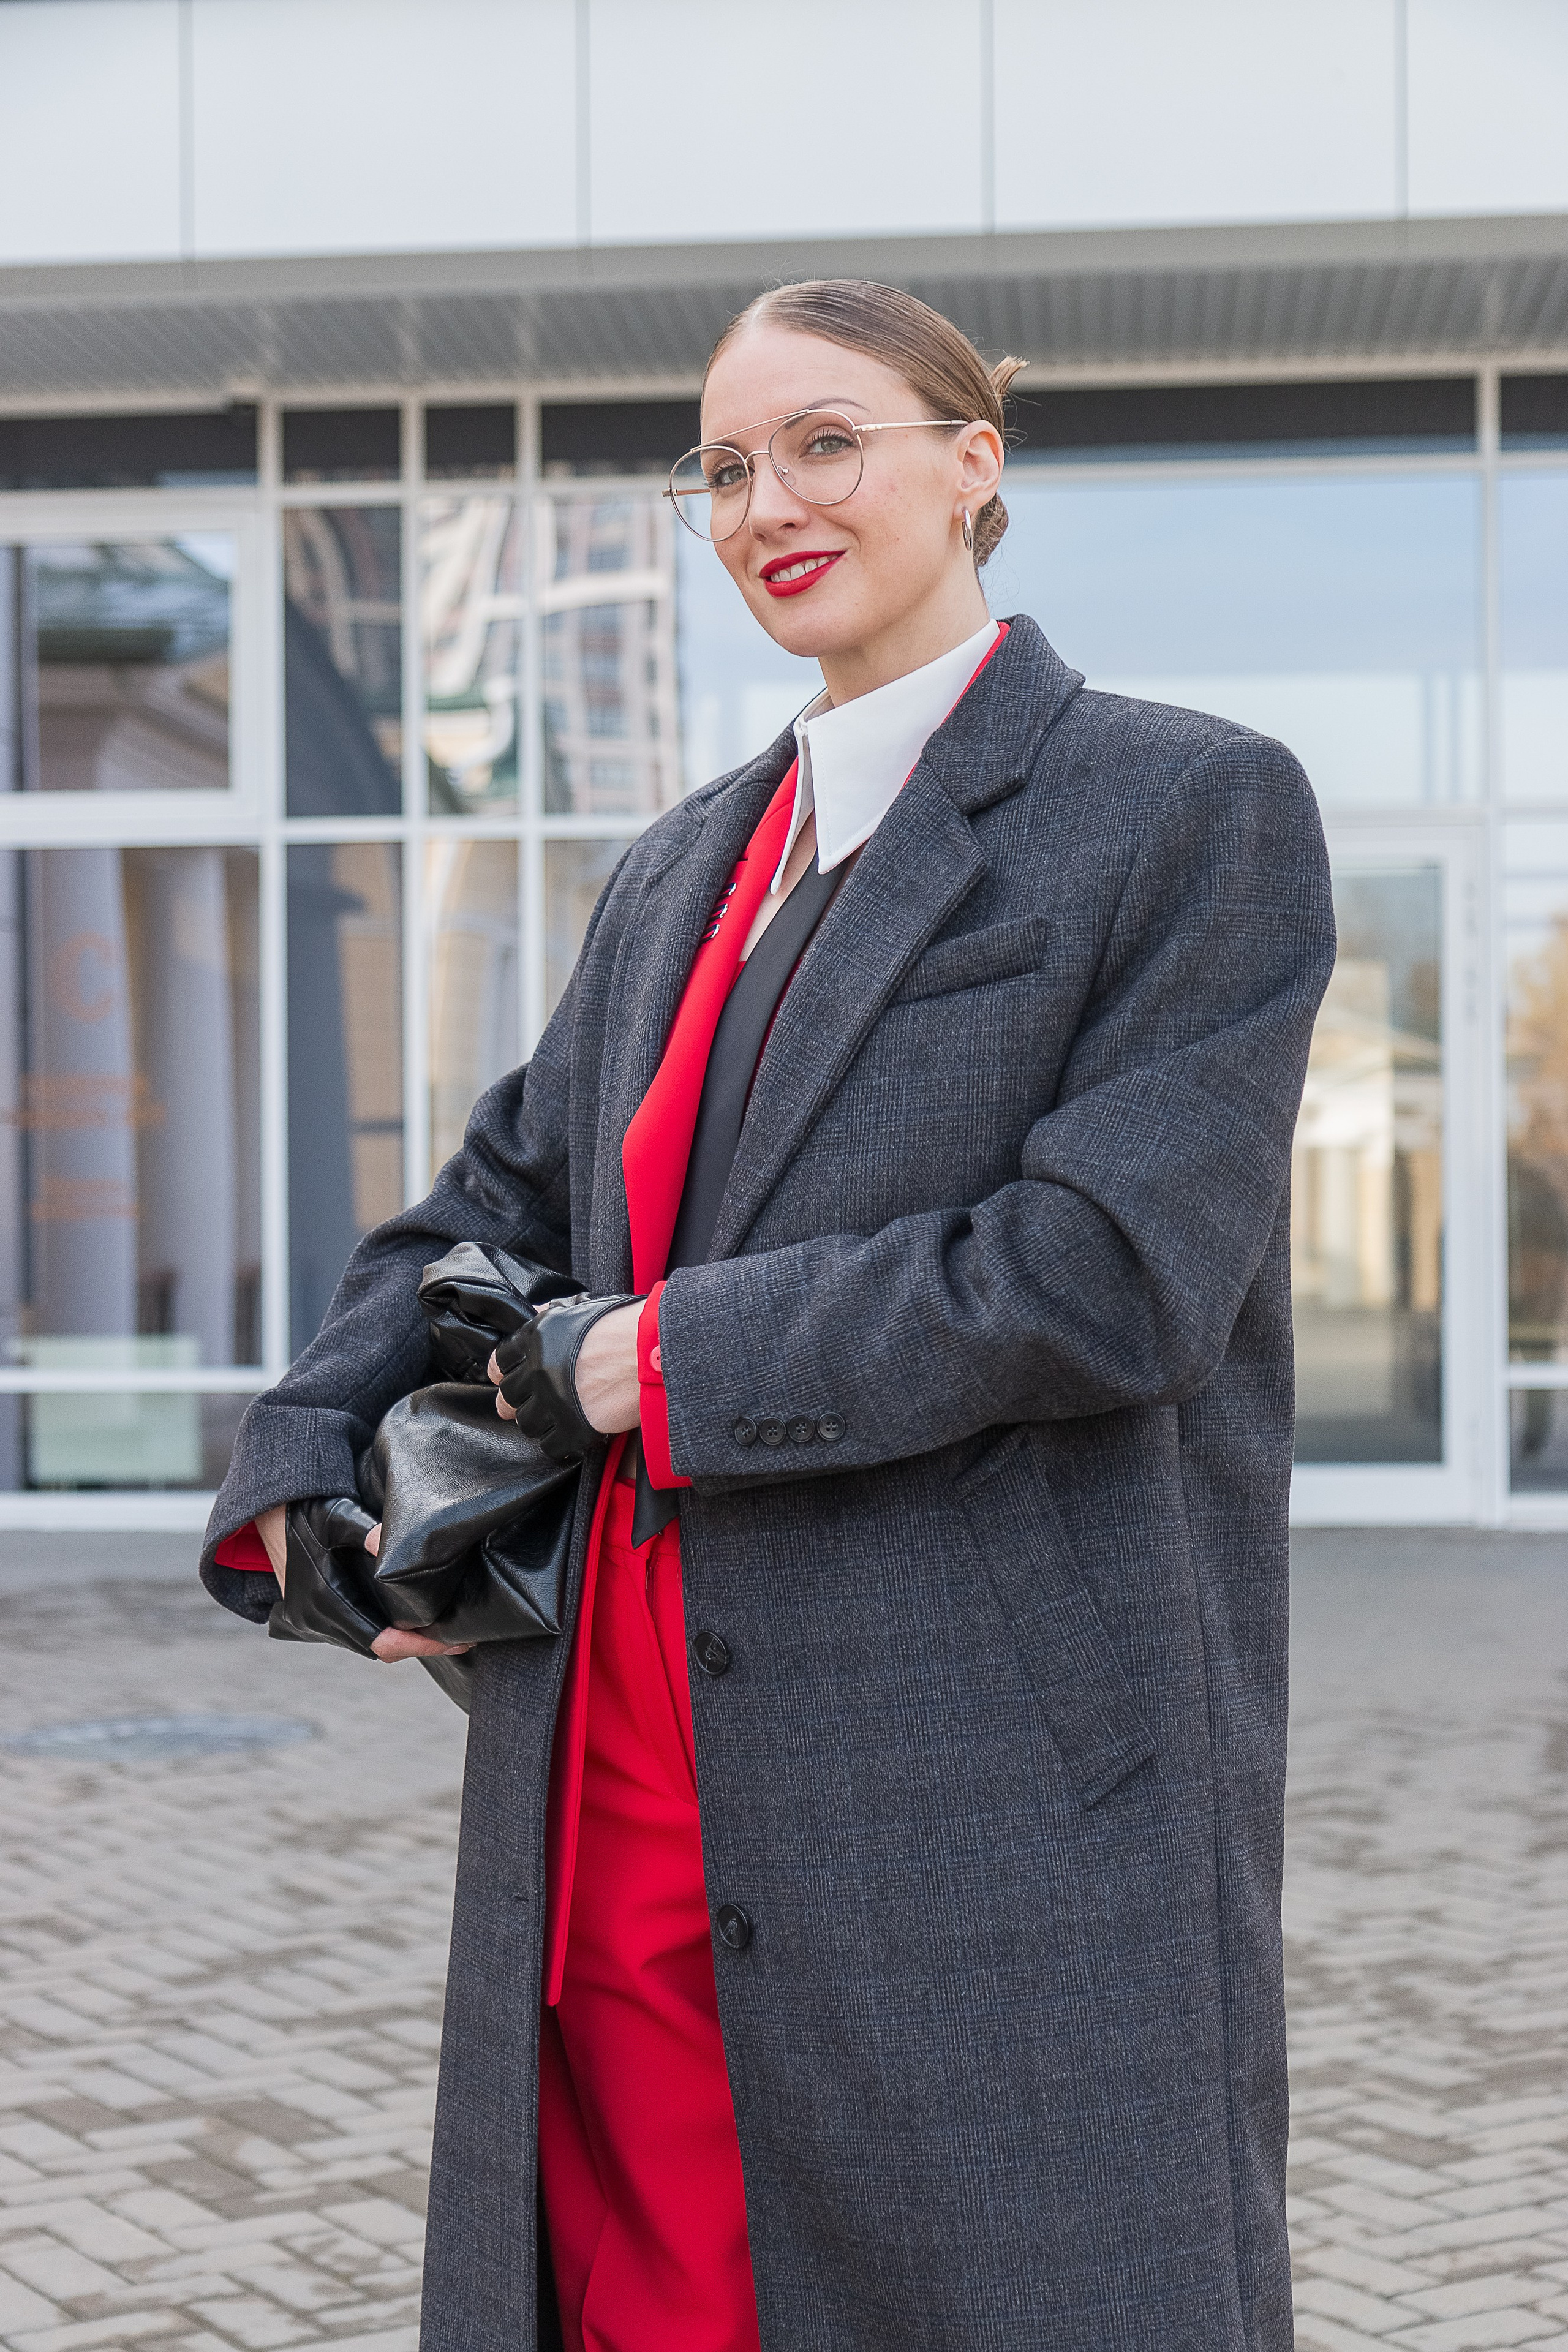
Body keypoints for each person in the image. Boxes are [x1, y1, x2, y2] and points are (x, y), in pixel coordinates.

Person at [203, 279, 1336, 2352]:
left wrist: (654, 1360)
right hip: (617, 1773)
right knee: (649, 2297)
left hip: (976, 1784)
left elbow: (1103, 1273)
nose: (766, 505)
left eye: (826, 443)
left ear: (974, 464)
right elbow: (494, 1203)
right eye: (723, 470)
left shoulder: (1184, 808)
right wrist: (295, 1468)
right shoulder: (679, 865)